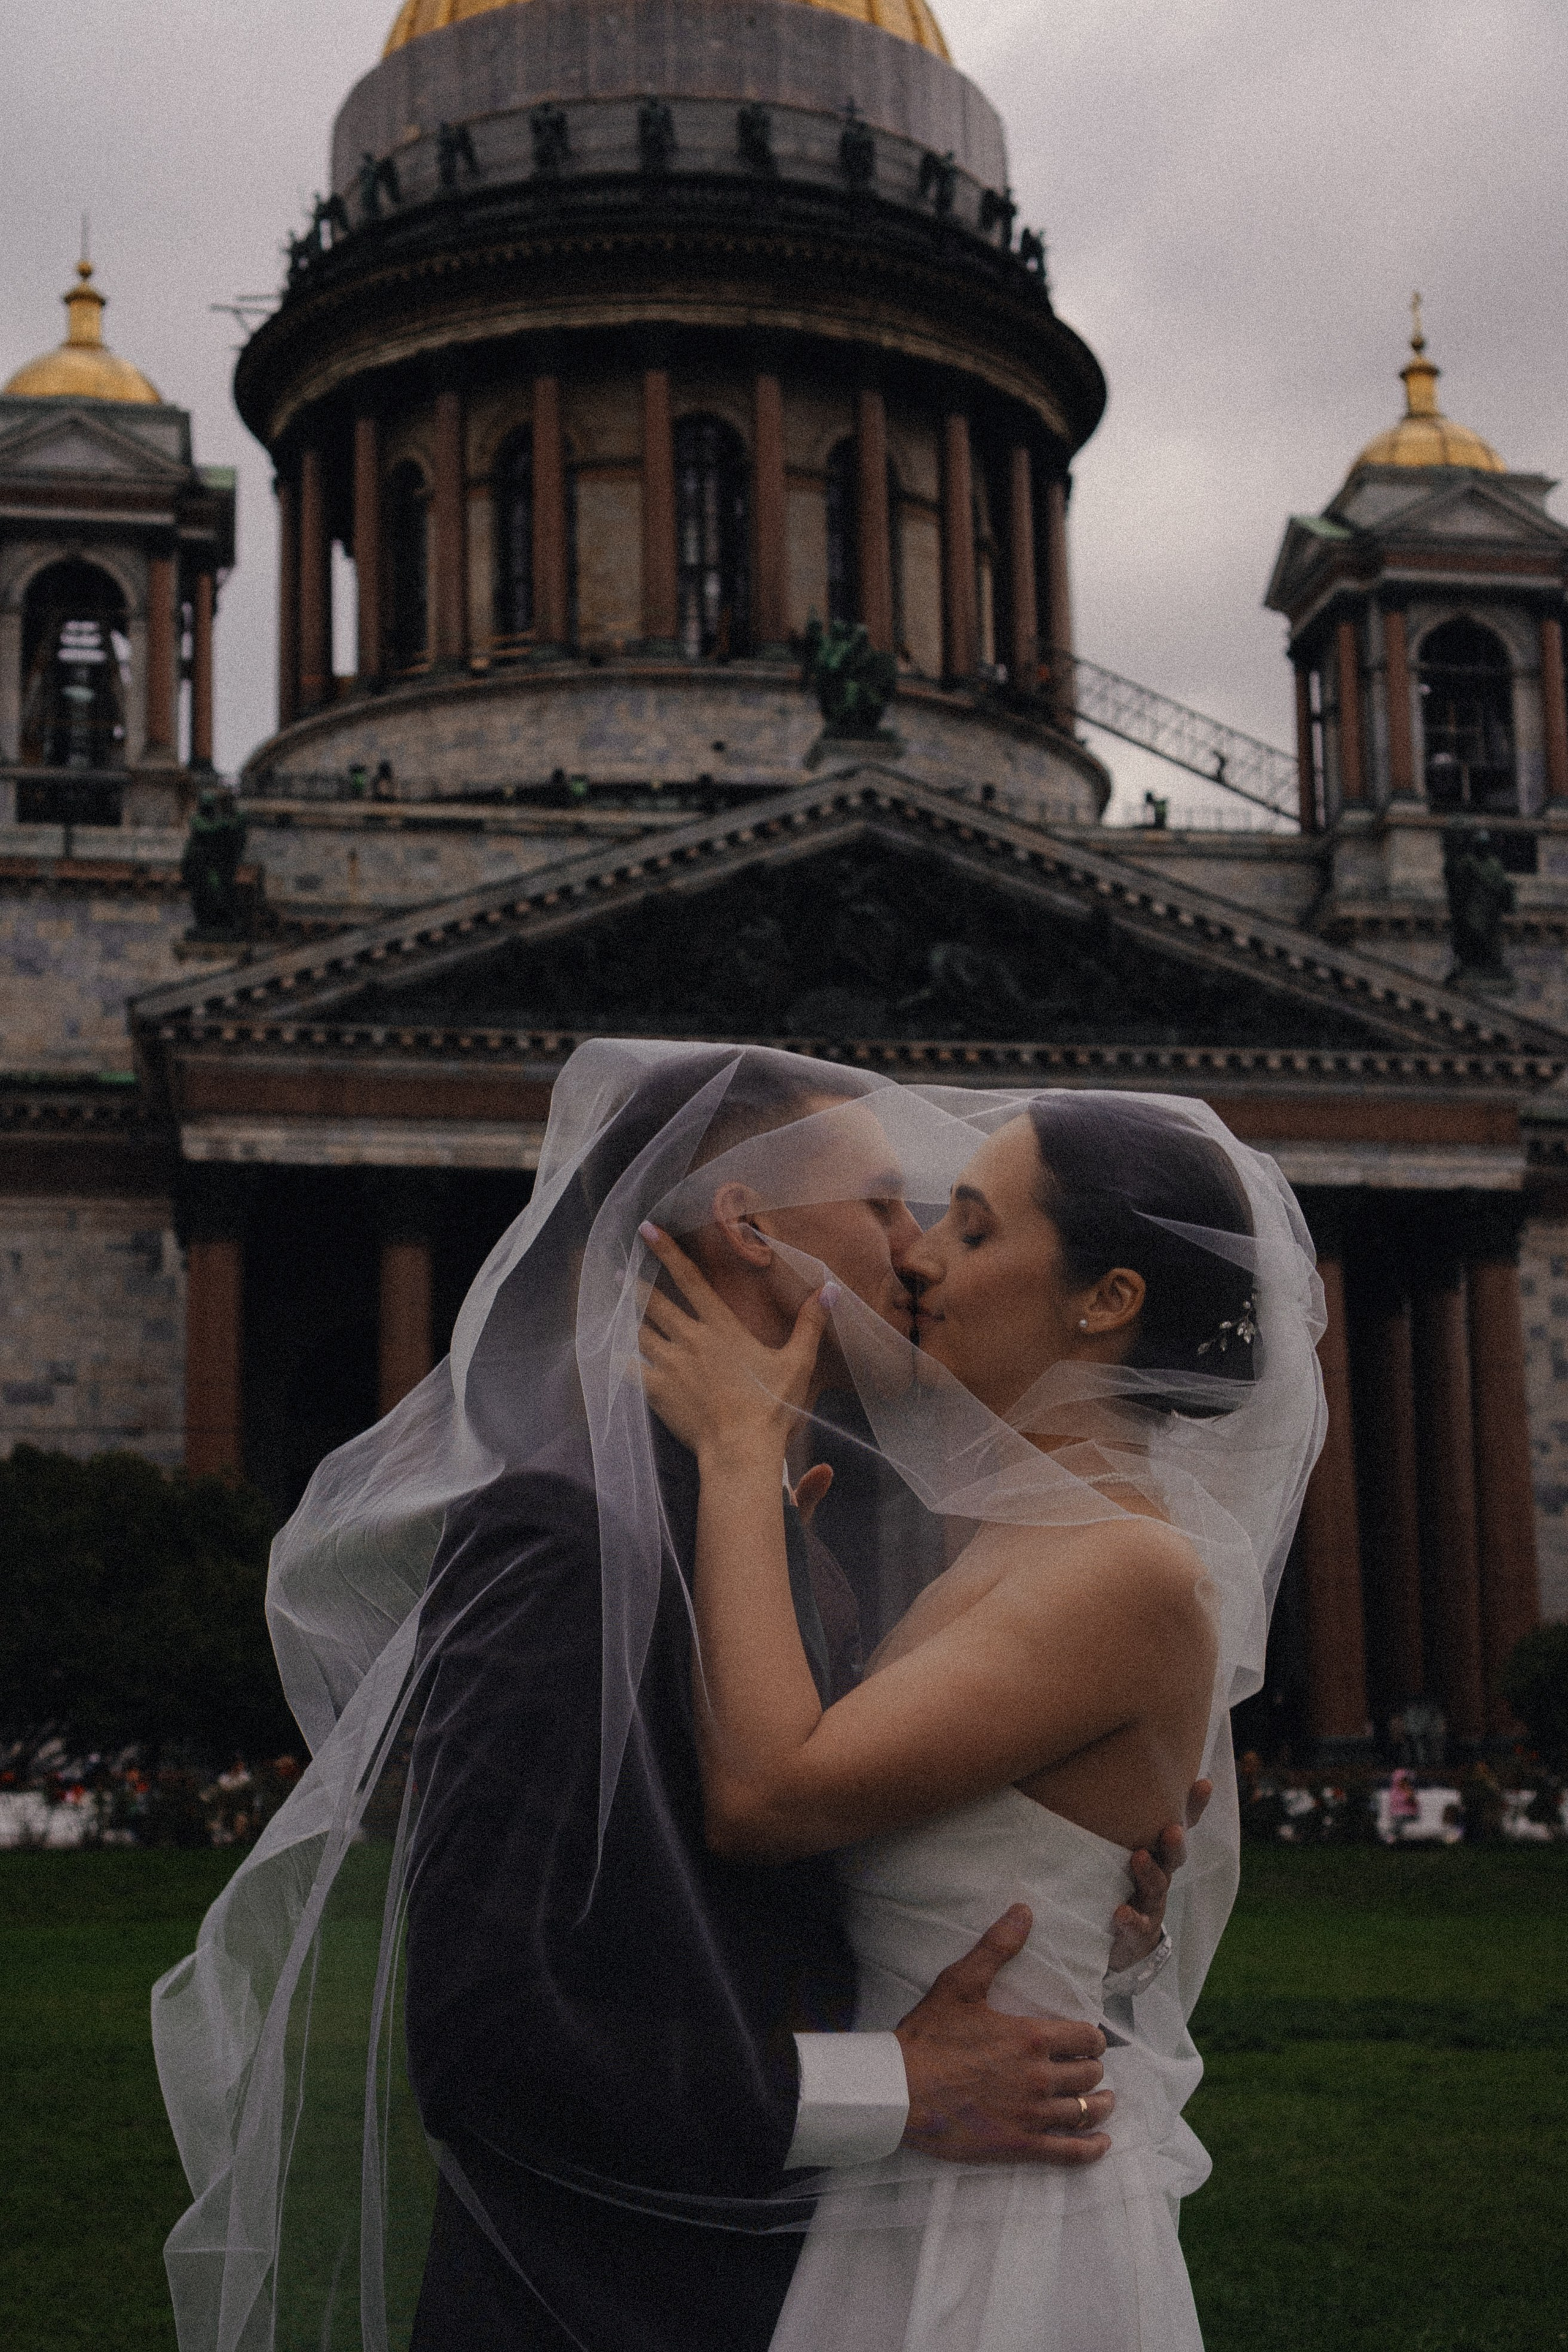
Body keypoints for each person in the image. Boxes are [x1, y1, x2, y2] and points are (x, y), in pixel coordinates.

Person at [148, 1052, 1265, 2352]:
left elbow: (797, 1887)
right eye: (888, 1207)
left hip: (885, 2251)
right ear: (748, 1224)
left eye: (962, 1225)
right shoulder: (572, 1538)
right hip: (602, 2305)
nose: (913, 1255)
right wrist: (890, 2084)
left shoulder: (804, 1545)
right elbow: (488, 2032)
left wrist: (1086, 1894)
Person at [637, 1088, 1324, 2350]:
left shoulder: (1125, 1568)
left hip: (1001, 2222)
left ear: (1105, 1301)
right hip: (922, 2166)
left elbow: (766, 1796)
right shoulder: (1013, 1544)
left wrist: (736, 1453)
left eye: (971, 1226)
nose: (917, 1257)